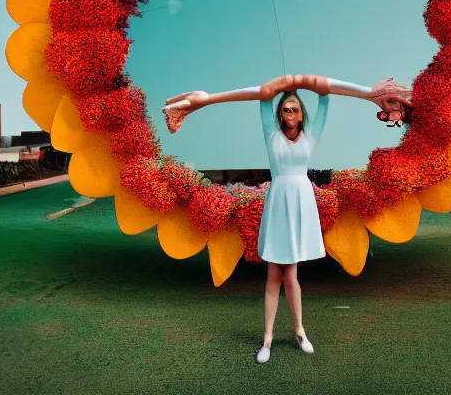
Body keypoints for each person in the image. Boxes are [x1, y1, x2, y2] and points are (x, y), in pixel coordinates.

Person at [162, 74, 412, 364]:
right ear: (279, 114)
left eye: (294, 108)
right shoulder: (271, 131)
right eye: (285, 109)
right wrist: (285, 85)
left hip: (301, 202)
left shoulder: (313, 131)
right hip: (279, 200)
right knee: (273, 275)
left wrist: (367, 93)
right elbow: (265, 94)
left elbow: (325, 91)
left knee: (291, 276)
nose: (289, 113)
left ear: (302, 113)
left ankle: (300, 332)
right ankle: (267, 339)